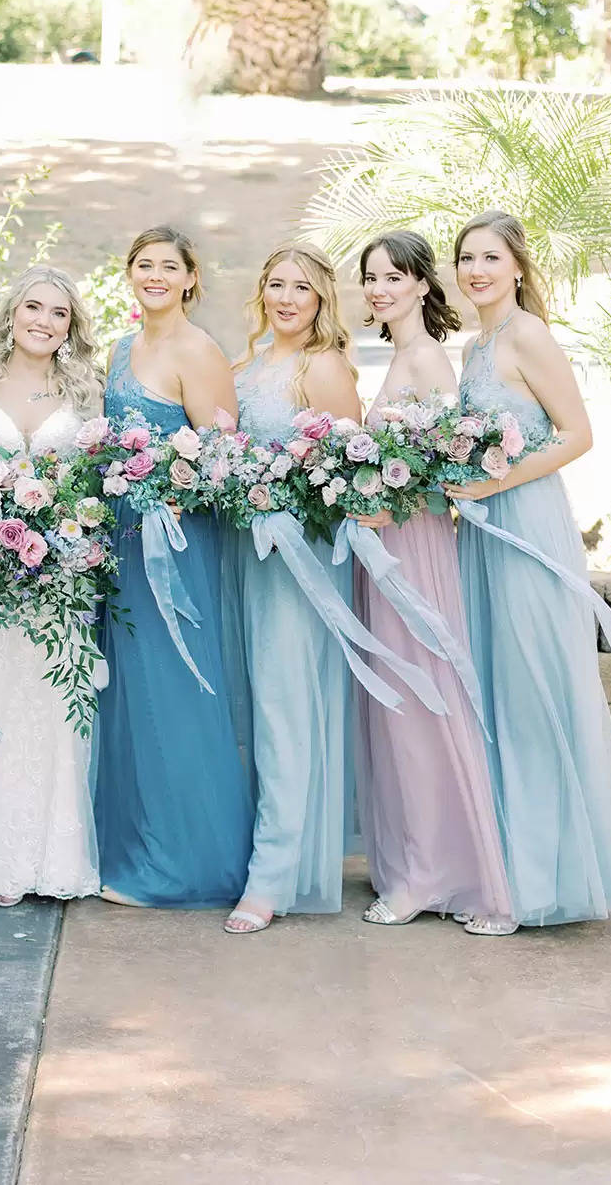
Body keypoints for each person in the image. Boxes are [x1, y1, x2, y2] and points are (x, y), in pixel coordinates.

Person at [450, 209, 611, 926]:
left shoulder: (527, 335)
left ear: (517, 266)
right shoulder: (476, 345)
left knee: (531, 693)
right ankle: (505, 873)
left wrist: (494, 483)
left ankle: (538, 889)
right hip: (483, 533)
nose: (476, 270)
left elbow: (579, 435)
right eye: (466, 258)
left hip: (525, 523)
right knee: (493, 690)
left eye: (490, 257)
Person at [353, 231, 514, 935]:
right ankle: (415, 863)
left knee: (424, 704)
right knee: (397, 709)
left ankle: (452, 877)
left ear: (423, 285)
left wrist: (389, 500)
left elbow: (447, 465)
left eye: (394, 276)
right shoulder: (399, 356)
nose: (380, 288)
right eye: (370, 278)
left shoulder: (427, 360)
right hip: (381, 546)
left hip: (411, 547)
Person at [94, 226, 253, 909]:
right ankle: (135, 845)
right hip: (124, 540)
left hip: (178, 545)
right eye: (143, 265)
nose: (154, 276)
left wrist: (164, 490)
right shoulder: (121, 349)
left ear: (191, 278)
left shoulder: (199, 350)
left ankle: (189, 861)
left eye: (169, 267)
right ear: (128, 272)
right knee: (132, 693)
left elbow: (224, 459)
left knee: (179, 687)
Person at [221, 244, 362, 933]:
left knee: (286, 705)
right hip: (245, 554)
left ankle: (273, 876)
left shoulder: (324, 368)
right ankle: (256, 850)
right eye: (274, 284)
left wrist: (281, 494)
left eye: (300, 288)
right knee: (256, 706)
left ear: (320, 300)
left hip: (300, 560)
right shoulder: (247, 368)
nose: (285, 298)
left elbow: (351, 474)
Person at [0, 266, 103, 905]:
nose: (44, 321)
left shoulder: (86, 390)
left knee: (55, 706)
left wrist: (71, 526)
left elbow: (99, 479)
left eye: (59, 313)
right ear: (10, 314)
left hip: (63, 572)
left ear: (71, 326)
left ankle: (56, 858)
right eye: (33, 307)